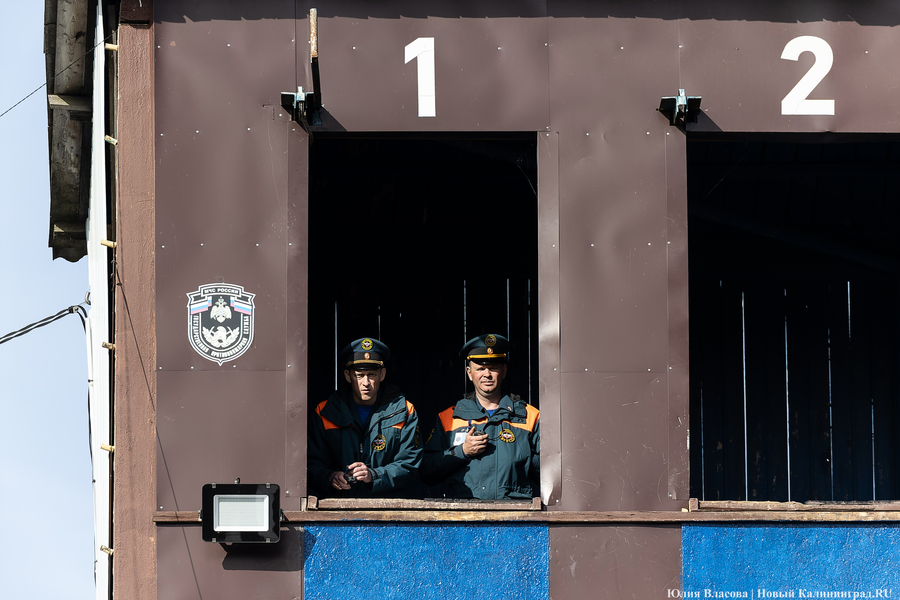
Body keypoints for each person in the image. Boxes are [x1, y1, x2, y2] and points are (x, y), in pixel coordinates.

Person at [422, 334, 539, 499]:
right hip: (464, 517)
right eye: (480, 369)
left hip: (515, 516)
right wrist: (462, 451)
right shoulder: (449, 418)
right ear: (469, 373)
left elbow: (551, 473)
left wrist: (525, 454)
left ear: (504, 371)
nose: (487, 374)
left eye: (493, 368)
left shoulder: (530, 416)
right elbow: (426, 471)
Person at [308, 337, 421, 498]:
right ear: (348, 376)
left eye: (372, 375)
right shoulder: (324, 412)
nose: (366, 382)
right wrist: (330, 477)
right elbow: (309, 463)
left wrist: (373, 475)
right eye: (359, 375)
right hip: (335, 510)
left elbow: (410, 463)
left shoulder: (405, 411)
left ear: (382, 374)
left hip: (389, 509)